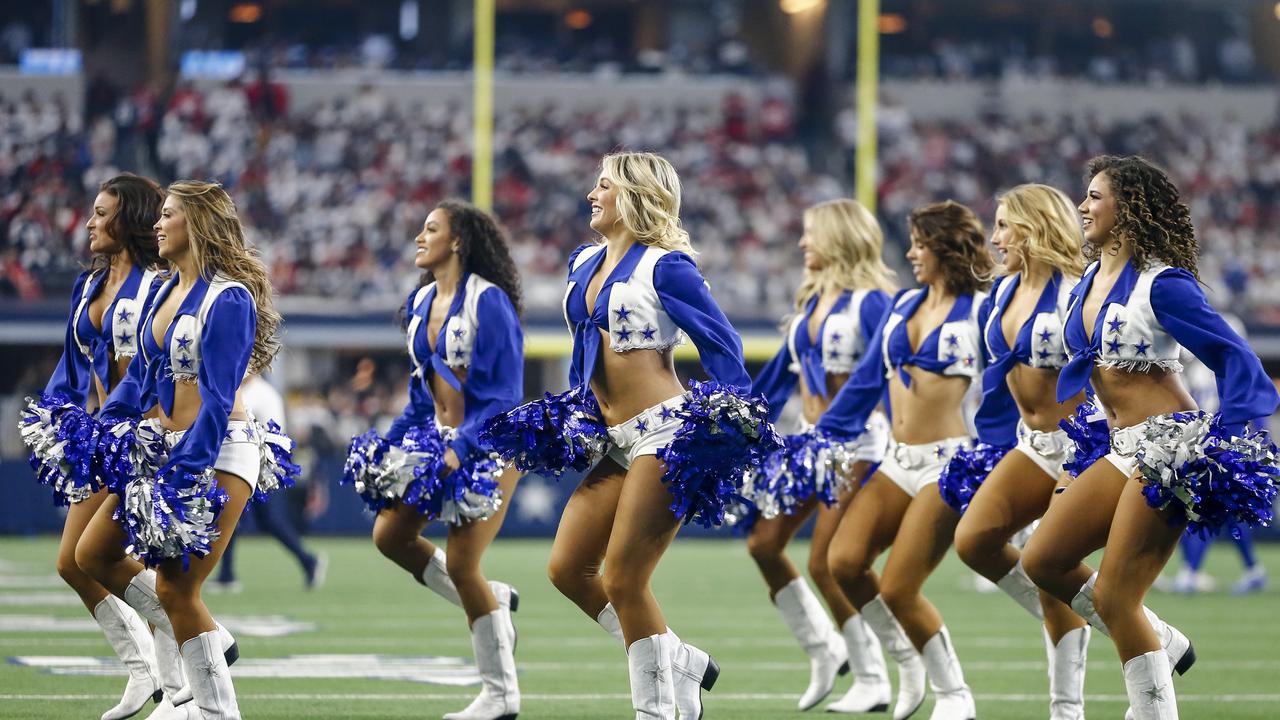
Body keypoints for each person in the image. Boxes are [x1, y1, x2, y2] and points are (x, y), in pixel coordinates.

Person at [482, 151, 775, 719]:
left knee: (622, 577)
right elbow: (584, 352)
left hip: (664, 433)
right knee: (568, 569)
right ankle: (678, 658)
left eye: (605, 185)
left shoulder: (668, 267)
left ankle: (658, 710)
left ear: (635, 195)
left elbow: (723, 347)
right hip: (613, 437)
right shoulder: (583, 261)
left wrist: (738, 420)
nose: (592, 194)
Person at [1021, 155, 1279, 719]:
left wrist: (1224, 442)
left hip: (1169, 446)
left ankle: (1154, 711)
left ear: (1129, 206)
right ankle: (1161, 637)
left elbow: (1235, 359)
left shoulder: (1165, 284)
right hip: (1118, 445)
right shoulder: (1089, 278)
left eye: (1094, 196)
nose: (1082, 206)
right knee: (1043, 558)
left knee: (1116, 596)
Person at [74, 180, 296, 720]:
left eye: (169, 214)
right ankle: (211, 641)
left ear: (195, 224)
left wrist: (183, 472)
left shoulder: (230, 297)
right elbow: (144, 379)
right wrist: (104, 426)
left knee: (178, 588)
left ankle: (213, 709)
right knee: (93, 554)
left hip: (218, 452)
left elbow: (220, 400)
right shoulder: (161, 290)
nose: (158, 224)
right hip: (165, 448)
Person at [342, 200, 524, 720]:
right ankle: (493, 602)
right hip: (437, 443)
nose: (419, 237)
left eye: (431, 229)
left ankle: (501, 695)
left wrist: (461, 446)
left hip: (489, 443)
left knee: (464, 563)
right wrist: (391, 444)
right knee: (390, 536)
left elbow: (505, 395)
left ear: (459, 241)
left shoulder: (488, 303)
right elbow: (423, 397)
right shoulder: (421, 302)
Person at [818, 200, 993, 720]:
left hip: (949, 462)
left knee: (898, 587)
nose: (912, 253)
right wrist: (819, 438)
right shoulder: (902, 306)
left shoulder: (984, 307)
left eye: (920, 244)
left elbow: (1012, 383)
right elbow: (866, 380)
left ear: (945, 247)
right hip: (897, 458)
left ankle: (955, 693)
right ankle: (908, 662)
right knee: (843, 563)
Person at [20, 173, 167, 720]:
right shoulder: (90, 285)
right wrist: (56, 417)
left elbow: (155, 367)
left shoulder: (159, 284)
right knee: (72, 563)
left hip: (146, 436)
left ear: (127, 220)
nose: (89, 222)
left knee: (141, 559)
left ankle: (191, 666)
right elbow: (72, 364)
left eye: (102, 213)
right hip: (100, 439)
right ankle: (143, 668)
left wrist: (119, 419)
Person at [945, 184, 1091, 720]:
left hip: (1081, 446)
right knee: (975, 541)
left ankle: (1068, 706)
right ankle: (1112, 616)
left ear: (1035, 228)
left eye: (1006, 225)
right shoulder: (1002, 292)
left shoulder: (1079, 290)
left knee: (1048, 565)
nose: (996, 236)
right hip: (1029, 444)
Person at [746, 198, 896, 712]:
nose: (802, 243)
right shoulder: (811, 301)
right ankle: (826, 651)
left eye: (811, 234)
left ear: (838, 237)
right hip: (810, 442)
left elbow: (884, 378)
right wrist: (736, 420)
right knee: (764, 544)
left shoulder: (874, 301)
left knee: (827, 562)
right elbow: (778, 381)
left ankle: (875, 676)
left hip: (857, 443)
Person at [211, 373, 326, 593]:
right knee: (234, 517)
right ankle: (227, 575)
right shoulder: (257, 391)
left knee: (261, 519)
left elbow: (236, 421)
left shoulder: (259, 392)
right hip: (254, 461)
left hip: (260, 464)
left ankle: (308, 560)